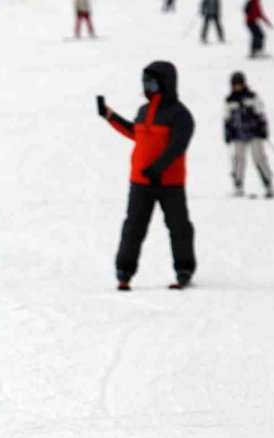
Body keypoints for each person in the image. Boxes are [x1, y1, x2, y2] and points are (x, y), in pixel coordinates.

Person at [99, 61, 196, 290]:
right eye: (144, 82)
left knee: (179, 227)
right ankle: (124, 271)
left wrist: (158, 168)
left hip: (169, 183)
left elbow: (177, 147)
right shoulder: (144, 110)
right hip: (140, 182)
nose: (146, 87)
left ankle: (184, 269)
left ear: (165, 84)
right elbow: (136, 133)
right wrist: (110, 116)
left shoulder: (180, 115)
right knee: (133, 227)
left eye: (151, 83)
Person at [225, 72, 274, 197]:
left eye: (239, 84)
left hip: (255, 133)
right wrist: (228, 132)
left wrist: (263, 129)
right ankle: (238, 184)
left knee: (259, 157)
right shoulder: (230, 100)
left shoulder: (252, 97)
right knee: (238, 159)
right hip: (238, 134)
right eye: (234, 85)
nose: (237, 87)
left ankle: (268, 183)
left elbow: (261, 113)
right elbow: (227, 118)